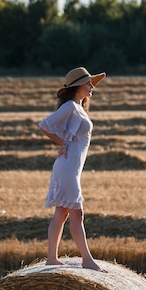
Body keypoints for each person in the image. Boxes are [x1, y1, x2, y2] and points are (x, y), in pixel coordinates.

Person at [38, 67, 107, 272]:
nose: (91, 86)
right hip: (67, 167)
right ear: (77, 86)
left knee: (62, 213)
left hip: (70, 167)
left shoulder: (78, 108)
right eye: (88, 83)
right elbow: (44, 125)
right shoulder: (69, 106)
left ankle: (52, 258)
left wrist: (64, 143)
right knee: (77, 214)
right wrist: (61, 144)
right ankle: (87, 259)